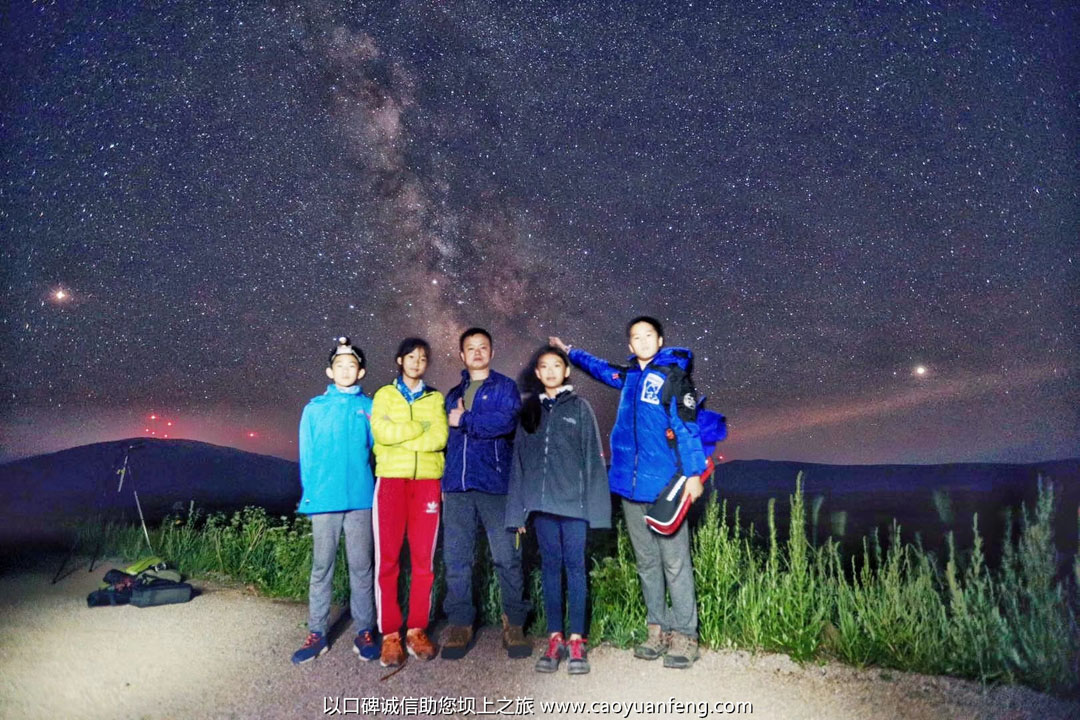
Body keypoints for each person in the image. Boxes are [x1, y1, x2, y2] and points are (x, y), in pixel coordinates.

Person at [550, 317, 707, 669]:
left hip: (666, 486)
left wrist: (694, 474)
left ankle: (685, 635)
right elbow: (599, 368)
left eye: (649, 335)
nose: (643, 341)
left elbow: (687, 428)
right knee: (648, 563)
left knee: (676, 562)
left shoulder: (672, 378)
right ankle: (657, 630)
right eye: (636, 337)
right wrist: (569, 352)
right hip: (629, 486)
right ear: (630, 346)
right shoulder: (628, 377)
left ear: (661, 340)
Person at [506, 346, 610, 675]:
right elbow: (519, 463)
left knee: (575, 569)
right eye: (544, 367)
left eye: (556, 365)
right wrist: (517, 512)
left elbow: (594, 459)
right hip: (542, 507)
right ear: (537, 374)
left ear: (566, 371)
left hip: (575, 506)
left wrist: (598, 511)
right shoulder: (529, 410)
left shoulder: (580, 408)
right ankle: (555, 639)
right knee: (551, 570)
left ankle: (577, 640)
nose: (550, 371)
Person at [440, 327, 531, 660]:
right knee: (457, 558)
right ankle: (461, 623)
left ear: (491, 353)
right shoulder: (452, 394)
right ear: (462, 356)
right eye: (470, 348)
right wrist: (445, 483)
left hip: (495, 485)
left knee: (506, 557)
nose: (477, 352)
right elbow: (448, 441)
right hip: (458, 488)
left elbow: (504, 423)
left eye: (483, 347)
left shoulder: (505, 388)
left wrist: (465, 419)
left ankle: (514, 624)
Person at [292, 337, 378, 665]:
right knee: (321, 567)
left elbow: (377, 451)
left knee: (361, 567)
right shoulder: (314, 408)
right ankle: (317, 633)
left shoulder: (369, 408)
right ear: (330, 371)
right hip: (324, 500)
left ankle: (365, 630)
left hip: (359, 498)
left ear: (361, 371)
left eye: (351, 365)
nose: (345, 370)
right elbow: (307, 454)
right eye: (339, 365)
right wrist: (309, 495)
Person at [370, 338, 448, 667]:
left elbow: (440, 438)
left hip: (427, 484)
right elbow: (381, 433)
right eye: (411, 356)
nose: (417, 362)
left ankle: (416, 629)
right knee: (387, 559)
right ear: (400, 360)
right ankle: (390, 633)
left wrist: (404, 437)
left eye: (423, 358)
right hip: (390, 482)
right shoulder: (384, 395)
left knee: (423, 562)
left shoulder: (435, 397)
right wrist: (417, 428)